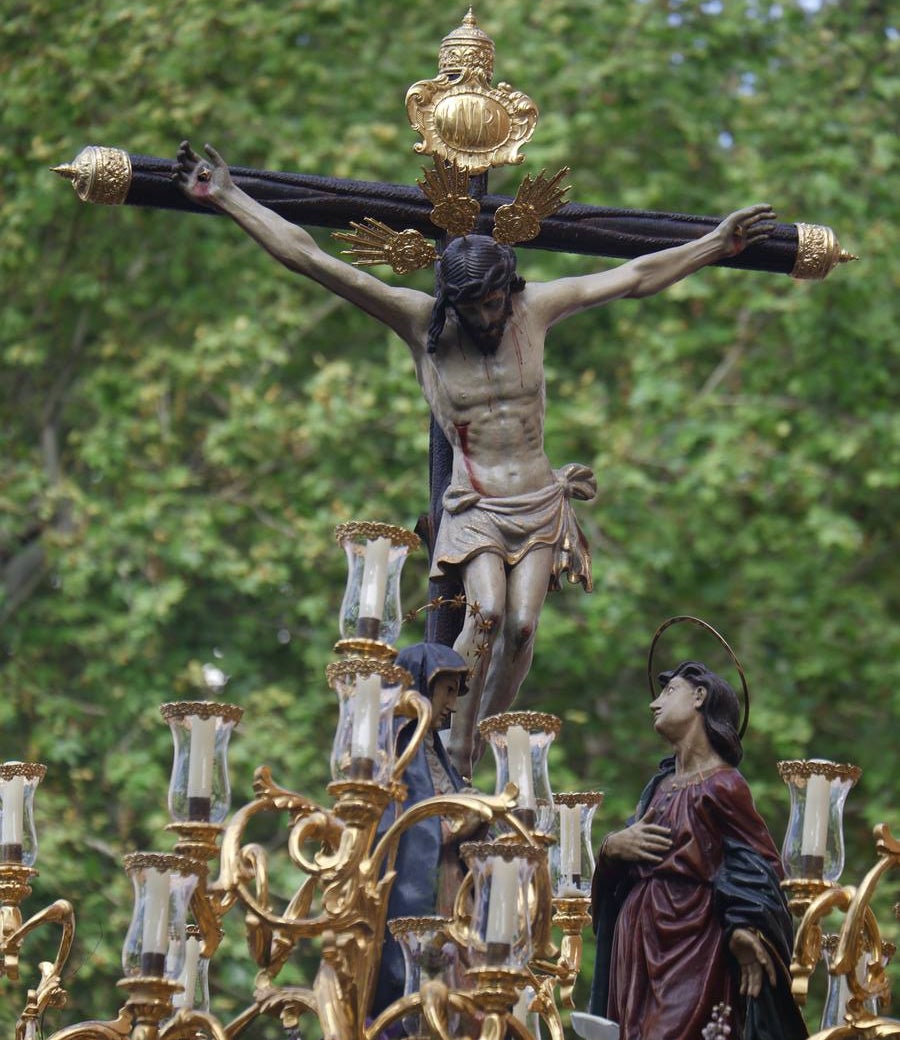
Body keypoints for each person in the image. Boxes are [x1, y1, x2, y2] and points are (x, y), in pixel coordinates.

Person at [175, 142, 776, 776]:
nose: (489, 316)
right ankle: (448, 739)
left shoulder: (533, 309)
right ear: (453, 302)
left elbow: (632, 278)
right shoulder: (420, 322)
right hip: (476, 503)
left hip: (540, 501)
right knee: (485, 613)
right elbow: (313, 259)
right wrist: (229, 196)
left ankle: (480, 740)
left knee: (520, 628)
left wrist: (715, 244)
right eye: (475, 308)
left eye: (495, 302)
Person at [586, 660, 806, 1040]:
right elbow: (628, 853)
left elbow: (759, 864)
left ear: (700, 697)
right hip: (637, 944)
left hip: (693, 943)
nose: (655, 701)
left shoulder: (724, 786)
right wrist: (611, 847)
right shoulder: (659, 787)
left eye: (669, 692)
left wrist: (747, 928)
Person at [370, 641, 478, 1015]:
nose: (453, 703)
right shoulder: (400, 748)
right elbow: (404, 827)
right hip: (421, 890)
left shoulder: (433, 751)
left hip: (451, 889)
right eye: (446, 690)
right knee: (419, 989)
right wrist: (464, 821)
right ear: (420, 684)